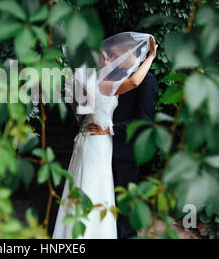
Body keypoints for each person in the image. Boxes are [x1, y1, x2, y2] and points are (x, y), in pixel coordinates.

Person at [52, 32, 158, 239]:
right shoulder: (104, 80)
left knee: (106, 195)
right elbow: (130, 85)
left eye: (119, 54)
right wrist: (151, 57)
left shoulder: (141, 80)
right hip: (98, 144)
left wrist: (110, 128)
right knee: (96, 190)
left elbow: (145, 121)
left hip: (108, 145)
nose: (116, 57)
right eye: (112, 54)